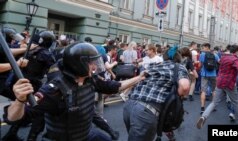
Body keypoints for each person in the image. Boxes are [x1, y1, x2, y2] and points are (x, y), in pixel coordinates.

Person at [3, 42, 146, 141]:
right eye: (91, 63)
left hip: (85, 135)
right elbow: (14, 118)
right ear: (79, 65)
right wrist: (20, 100)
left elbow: (115, 86)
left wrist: (140, 77)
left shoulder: (91, 79)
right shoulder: (55, 91)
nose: (95, 67)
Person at [123, 46, 190, 141]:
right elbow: (185, 86)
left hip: (129, 105)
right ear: (179, 58)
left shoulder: (155, 65)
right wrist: (178, 97)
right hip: (145, 111)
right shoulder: (179, 67)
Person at [196, 44, 238, 129]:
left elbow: (220, 66)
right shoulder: (235, 58)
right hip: (229, 82)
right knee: (236, 103)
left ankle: (204, 116)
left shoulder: (224, 57)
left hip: (220, 81)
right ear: (236, 51)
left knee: (214, 102)